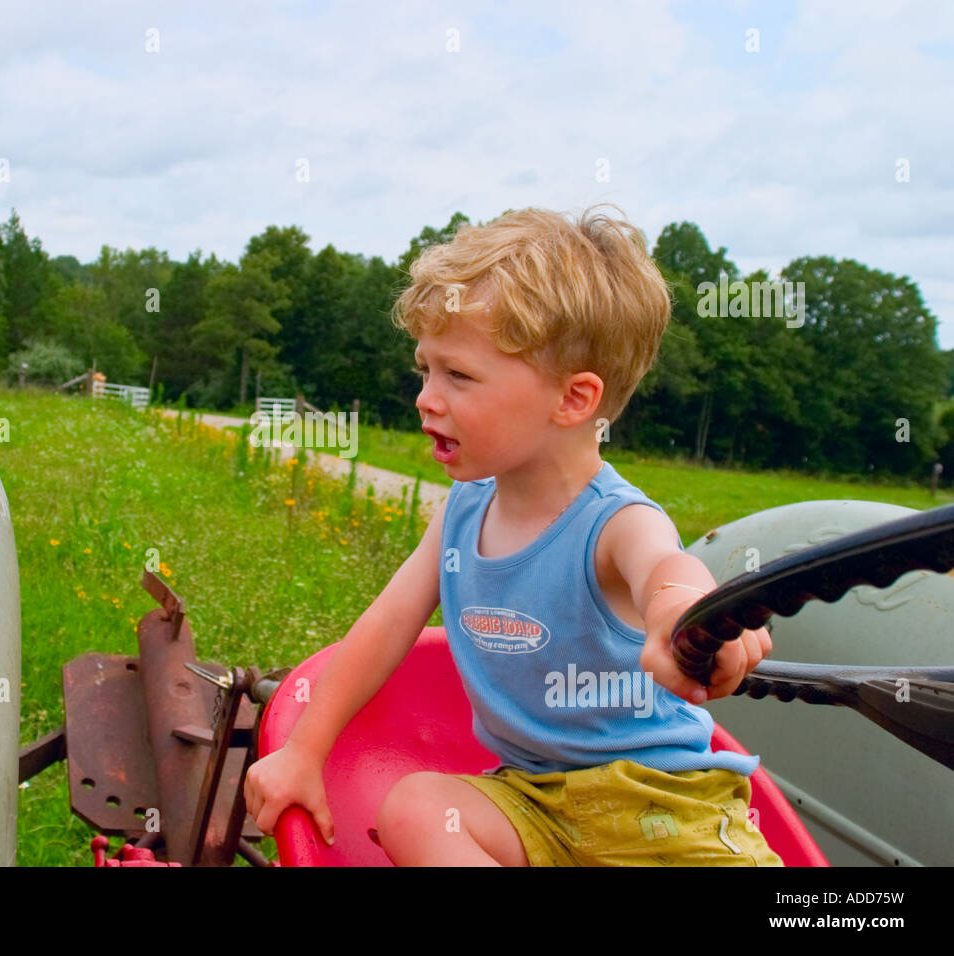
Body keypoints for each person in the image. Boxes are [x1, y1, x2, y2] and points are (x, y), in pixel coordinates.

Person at [242, 205, 782, 866]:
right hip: (532, 803)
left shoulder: (614, 523)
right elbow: (386, 626)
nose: (425, 397)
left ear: (574, 400)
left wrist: (685, 621)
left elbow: (669, 571)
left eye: (458, 376)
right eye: (425, 369)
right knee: (414, 808)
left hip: (663, 815)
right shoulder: (461, 513)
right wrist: (304, 751)